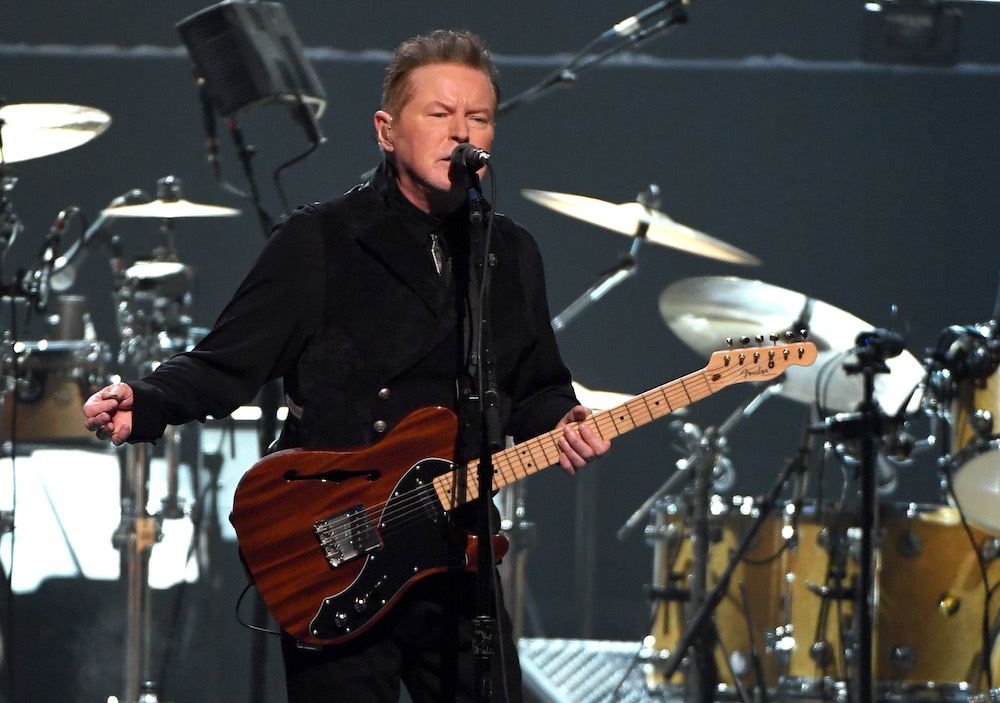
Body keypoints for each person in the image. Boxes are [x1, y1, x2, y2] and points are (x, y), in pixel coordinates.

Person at [84, 29, 610, 703]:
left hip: (458, 558)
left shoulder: (510, 252)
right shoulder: (322, 239)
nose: (461, 132)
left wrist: (561, 420)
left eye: (478, 118)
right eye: (440, 113)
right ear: (386, 131)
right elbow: (227, 360)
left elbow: (536, 384)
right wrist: (149, 400)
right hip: (340, 548)